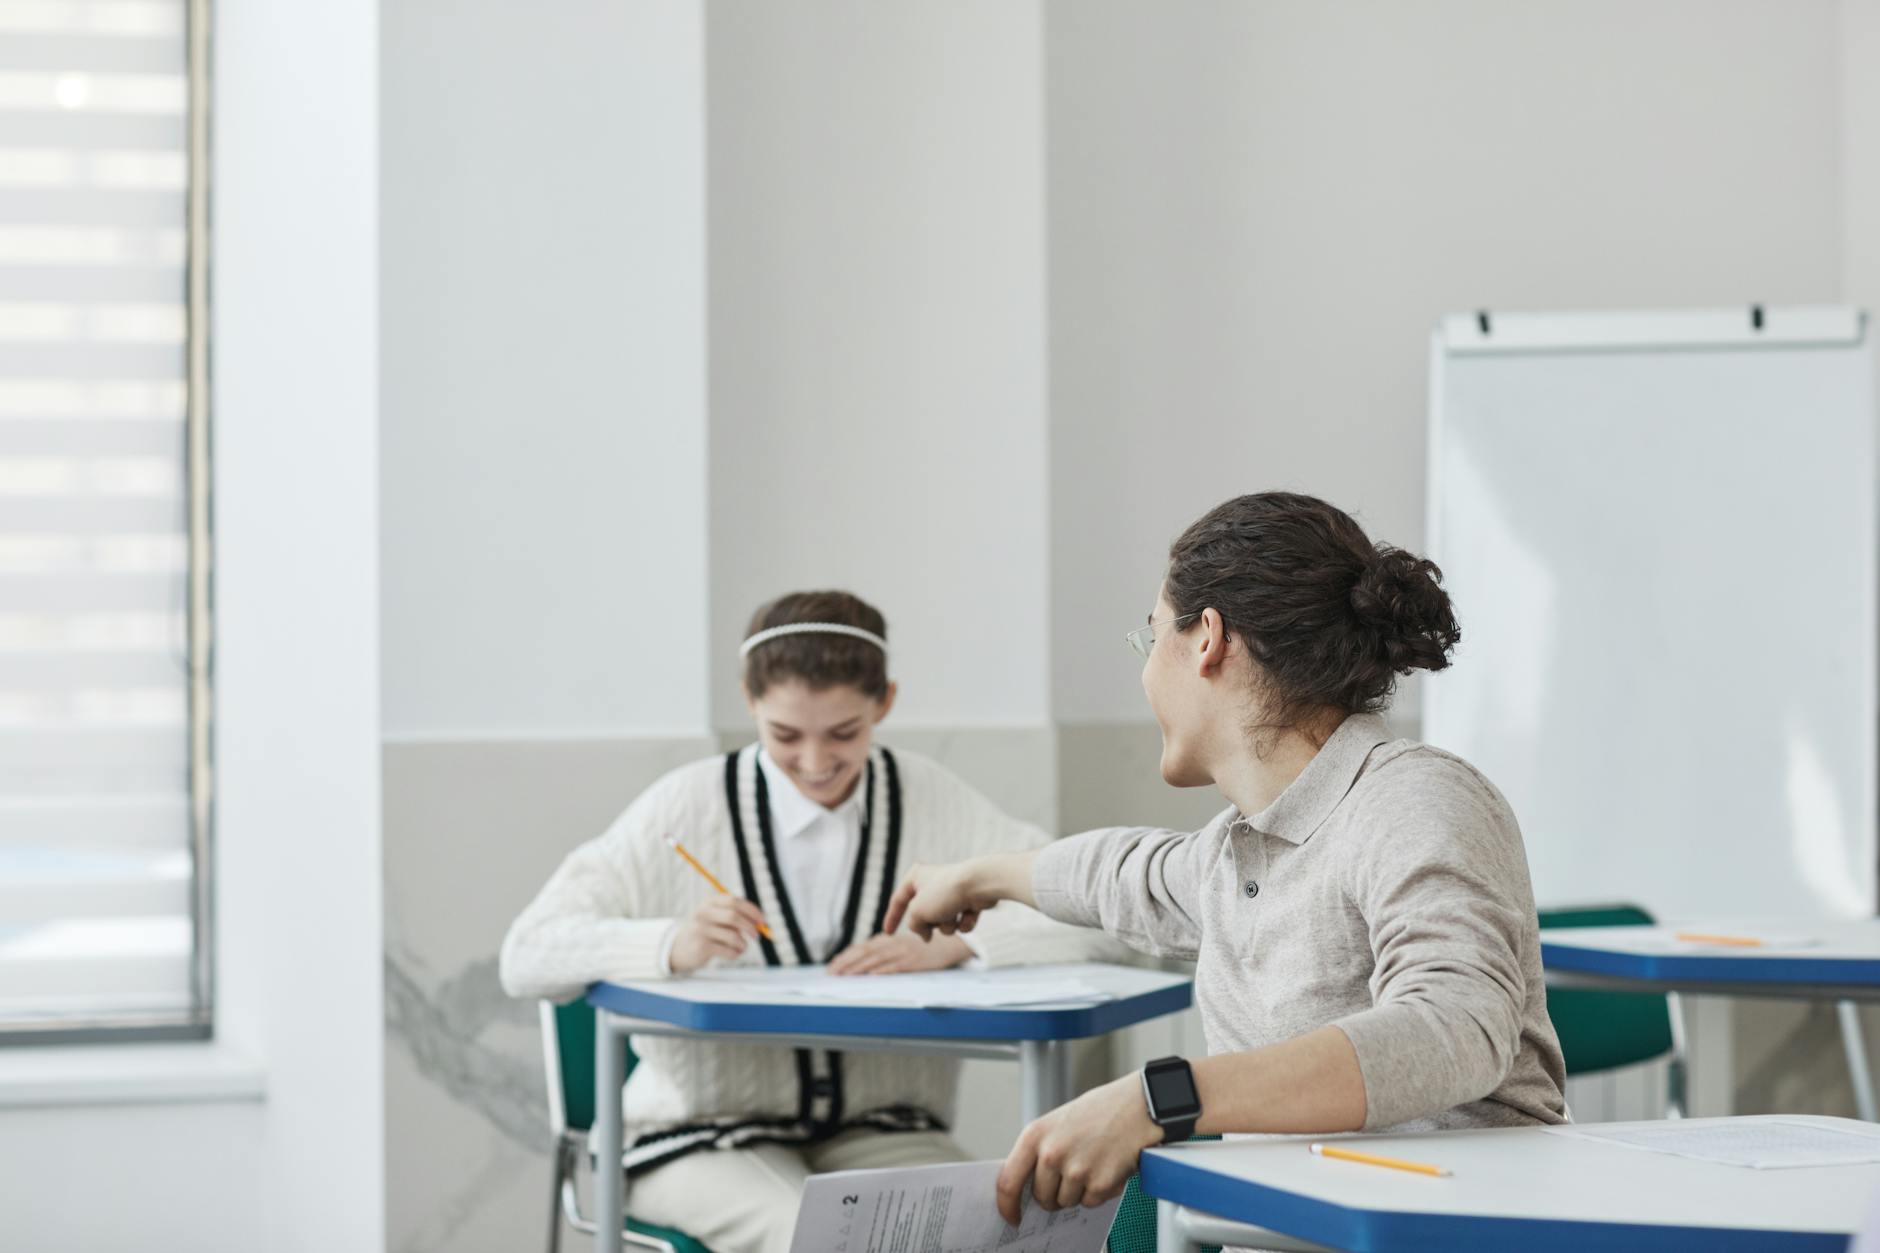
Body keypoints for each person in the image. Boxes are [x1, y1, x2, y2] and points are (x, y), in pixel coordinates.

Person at [882, 491, 1569, 1228]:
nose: (1146, 676)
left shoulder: (1413, 798)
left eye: (1150, 642)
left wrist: (1159, 1096)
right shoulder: (1237, 850)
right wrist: (978, 876)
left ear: (1207, 637)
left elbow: (1456, 1024)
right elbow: (1122, 873)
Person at [500, 590, 1116, 1253]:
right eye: (785, 735)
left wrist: (961, 945)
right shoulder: (684, 806)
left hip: (882, 1128)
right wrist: (667, 942)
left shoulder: (929, 796)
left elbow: (1099, 912)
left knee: (998, 1231)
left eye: (844, 732)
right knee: (818, 1239)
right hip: (693, 1139)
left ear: (886, 702)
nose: (816, 761)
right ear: (750, 701)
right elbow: (527, 953)